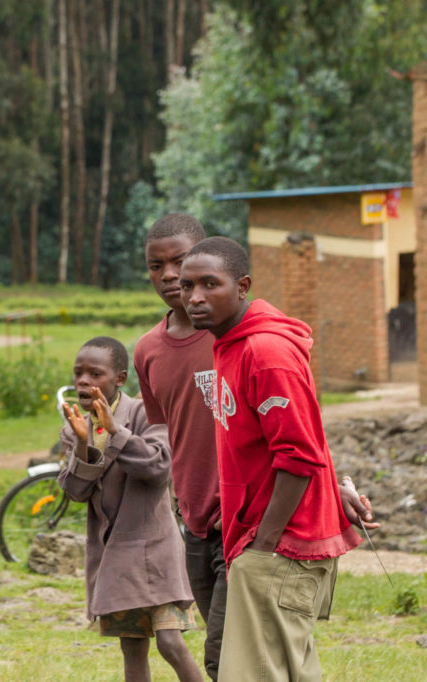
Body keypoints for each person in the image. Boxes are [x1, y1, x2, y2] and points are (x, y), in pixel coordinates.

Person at [179, 236, 362, 681]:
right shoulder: (230, 343)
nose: (195, 297)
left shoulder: (265, 352)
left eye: (209, 284)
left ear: (242, 287)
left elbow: (299, 454)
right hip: (261, 541)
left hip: (282, 547)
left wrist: (263, 544)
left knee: (261, 673)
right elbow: (297, 434)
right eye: (187, 286)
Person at [57, 336, 203, 682]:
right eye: (79, 373)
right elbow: (76, 492)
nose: (84, 381)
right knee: (132, 647)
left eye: (95, 373)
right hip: (115, 556)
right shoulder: (75, 425)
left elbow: (157, 468)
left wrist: (114, 430)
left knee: (170, 642)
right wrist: (82, 442)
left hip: (156, 549)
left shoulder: (145, 413)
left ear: (120, 378)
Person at [133, 213, 226, 679]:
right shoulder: (147, 350)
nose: (169, 275)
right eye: (156, 266)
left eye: (180, 261)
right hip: (194, 522)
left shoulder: (234, 334)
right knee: (223, 649)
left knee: (225, 654)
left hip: (246, 519)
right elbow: (164, 436)